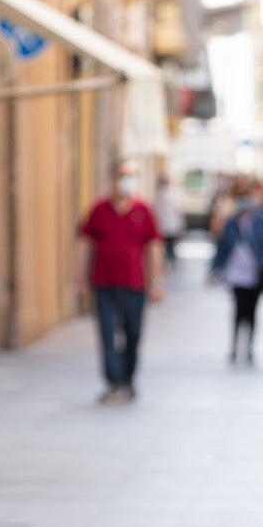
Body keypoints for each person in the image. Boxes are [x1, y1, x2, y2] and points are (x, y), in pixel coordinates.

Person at [77, 160, 164, 405]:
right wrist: (80, 280)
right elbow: (84, 245)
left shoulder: (143, 210)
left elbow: (153, 247)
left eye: (132, 175)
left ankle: (128, 379)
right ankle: (113, 382)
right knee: (106, 334)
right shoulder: (98, 209)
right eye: (123, 175)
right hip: (103, 283)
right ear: (112, 178)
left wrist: (155, 282)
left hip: (135, 284)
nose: (128, 180)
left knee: (133, 333)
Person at [210, 188, 263, 365]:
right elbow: (222, 248)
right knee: (238, 310)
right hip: (236, 274)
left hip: (255, 274)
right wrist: (215, 269)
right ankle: (235, 347)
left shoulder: (262, 223)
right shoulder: (231, 224)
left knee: (252, 311)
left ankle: (249, 347)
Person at [153, 168, 186, 270]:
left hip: (169, 223)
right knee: (169, 244)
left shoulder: (167, 194)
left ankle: (170, 259)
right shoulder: (167, 194)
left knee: (169, 244)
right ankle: (170, 260)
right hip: (168, 223)